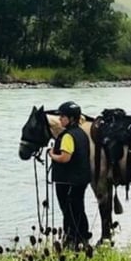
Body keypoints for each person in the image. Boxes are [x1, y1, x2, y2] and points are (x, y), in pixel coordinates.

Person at [49, 100, 91, 248]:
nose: (60, 119)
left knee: (69, 210)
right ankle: (83, 237)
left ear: (71, 118)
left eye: (63, 116)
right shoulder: (82, 133)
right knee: (78, 207)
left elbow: (65, 158)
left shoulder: (67, 136)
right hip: (81, 179)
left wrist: (52, 155)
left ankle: (71, 238)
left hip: (68, 180)